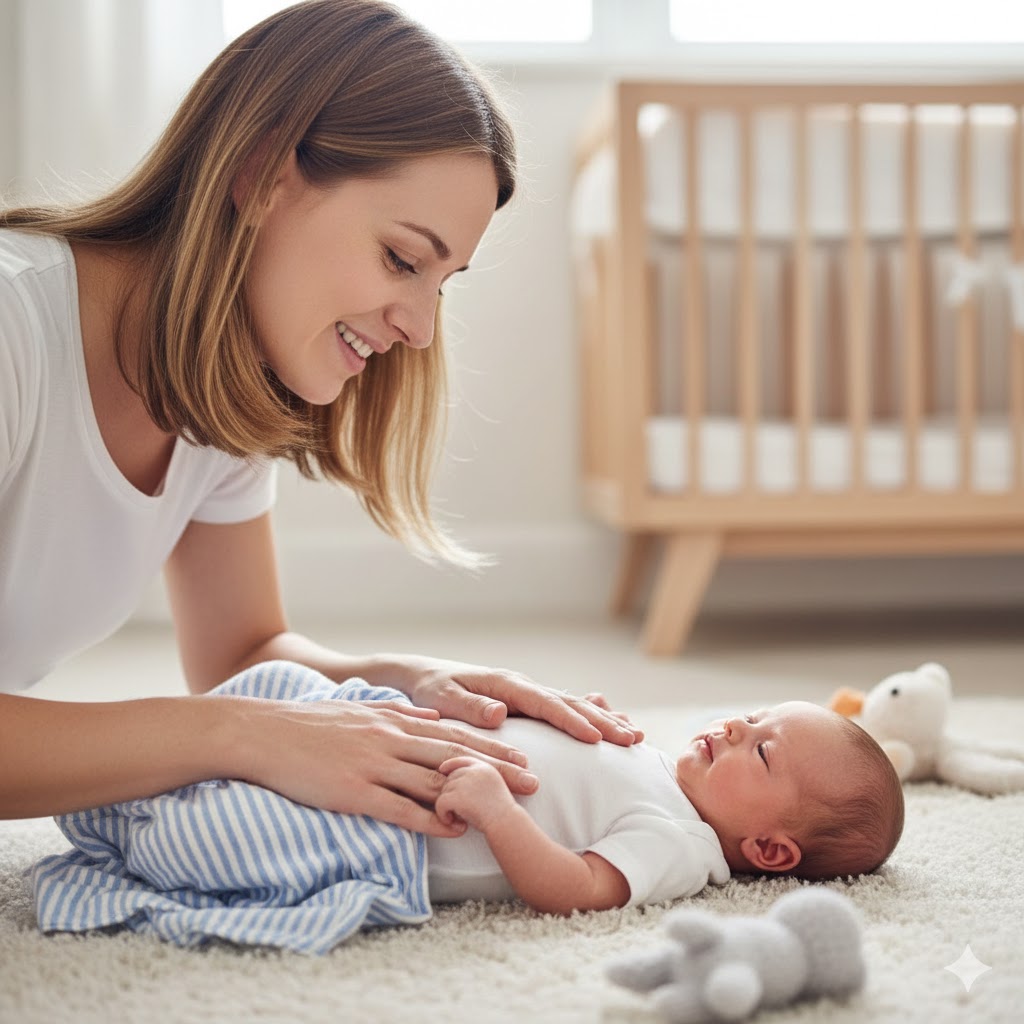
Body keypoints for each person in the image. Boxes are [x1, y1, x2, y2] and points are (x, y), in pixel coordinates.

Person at [0, 0, 643, 829]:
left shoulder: (219, 382)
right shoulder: (15, 329)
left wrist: (401, 682)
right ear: (263, 173)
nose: (419, 327)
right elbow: (236, 707)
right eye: (402, 259)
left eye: (439, 284)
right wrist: (241, 732)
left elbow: (242, 654)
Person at [30, 662, 903, 952]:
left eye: (760, 748)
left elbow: (575, 889)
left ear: (770, 850)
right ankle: (135, 761)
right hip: (387, 730)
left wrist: (496, 809)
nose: (733, 727)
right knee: (283, 688)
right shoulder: (654, 763)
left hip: (393, 829)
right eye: (751, 716)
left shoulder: (680, 846)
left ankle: (124, 818)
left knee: (225, 834)